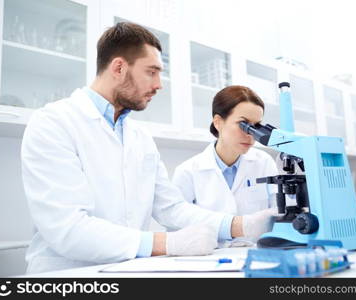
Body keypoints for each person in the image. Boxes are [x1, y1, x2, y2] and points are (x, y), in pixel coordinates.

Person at [21, 22, 279, 274]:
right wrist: (166, 243)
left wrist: (240, 225)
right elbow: (67, 229)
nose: (159, 84)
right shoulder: (53, 123)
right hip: (68, 275)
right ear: (119, 67)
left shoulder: (139, 136)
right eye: (152, 72)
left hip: (128, 269)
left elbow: (171, 208)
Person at [173, 86, 279, 217]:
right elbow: (178, 224)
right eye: (243, 124)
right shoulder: (187, 172)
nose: (251, 134)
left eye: (256, 126)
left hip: (259, 238)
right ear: (218, 122)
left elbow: (278, 212)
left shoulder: (264, 162)